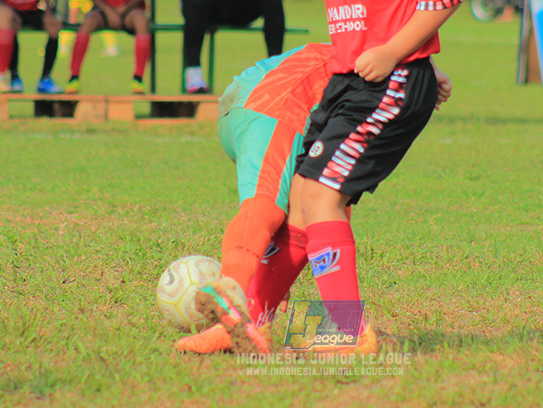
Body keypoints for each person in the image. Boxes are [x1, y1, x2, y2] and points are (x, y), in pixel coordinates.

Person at [197, 0, 465, 356]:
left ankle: (348, 329)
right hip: (349, 86)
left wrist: (403, 55)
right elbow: (384, 10)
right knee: (300, 203)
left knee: (321, 198)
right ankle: (248, 325)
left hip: (385, 85)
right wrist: (411, 54)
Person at [174, 42, 453, 355]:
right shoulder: (379, 62)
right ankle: (230, 292)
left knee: (311, 209)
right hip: (278, 104)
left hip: (255, 95)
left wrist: (429, 68)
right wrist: (428, 69)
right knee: (272, 207)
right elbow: (416, 19)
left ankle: (257, 320)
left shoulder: (358, 39)